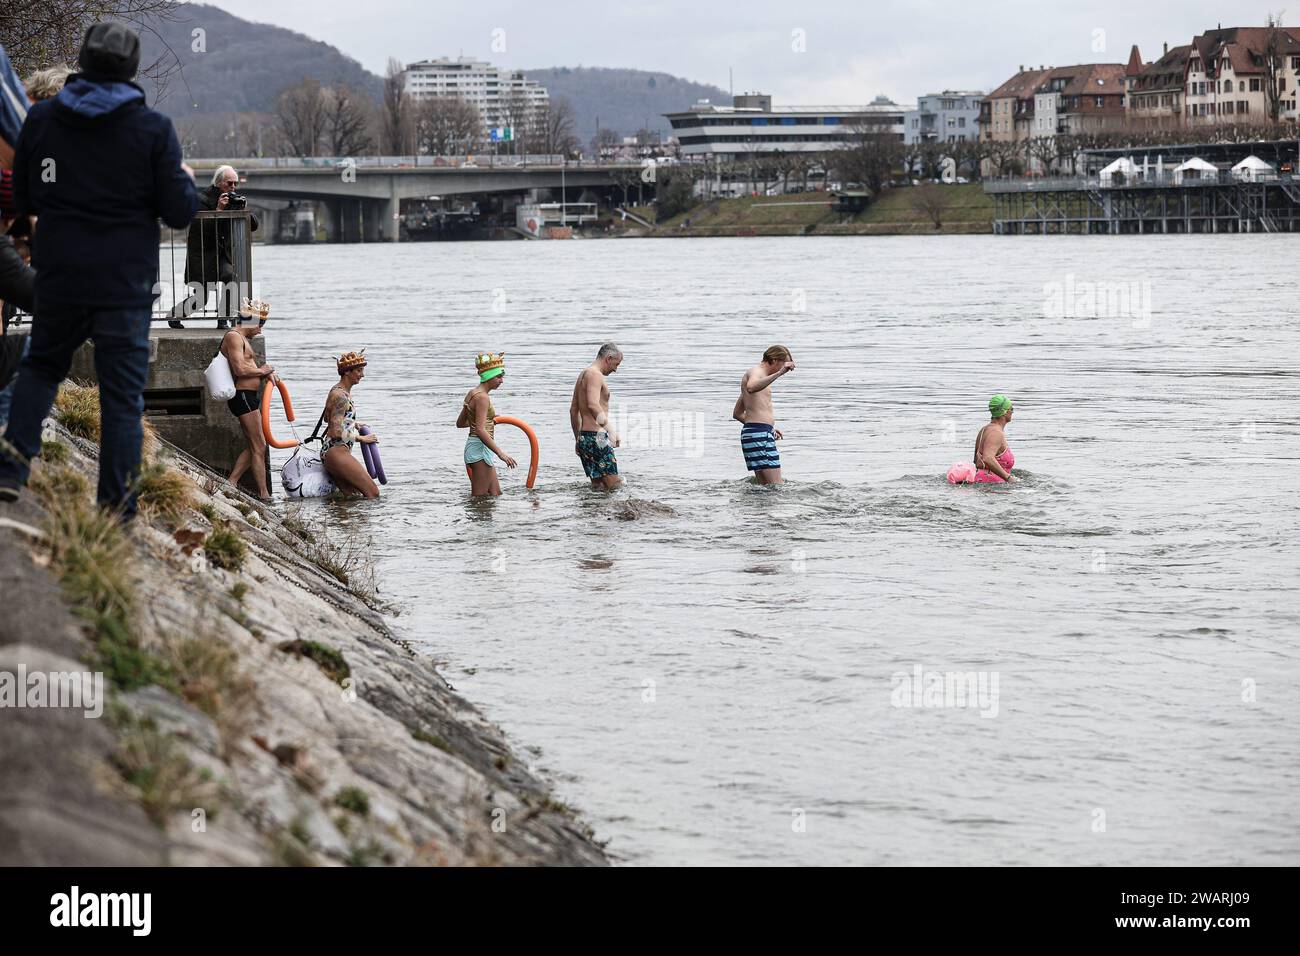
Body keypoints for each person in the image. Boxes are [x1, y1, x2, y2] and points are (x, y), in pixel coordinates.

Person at [0, 23, 198, 515]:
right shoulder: (152, 129)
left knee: (41, 368)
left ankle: (9, 470)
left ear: (83, 65)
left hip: (61, 272)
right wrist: (184, 182)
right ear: (131, 71)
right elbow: (178, 212)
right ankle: (117, 508)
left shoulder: (42, 120)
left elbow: (26, 196)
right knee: (122, 397)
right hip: (123, 283)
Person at [170, 164, 258, 329]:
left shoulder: (234, 199)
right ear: (218, 182)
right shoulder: (201, 200)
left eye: (235, 184)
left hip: (222, 253)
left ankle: (222, 319)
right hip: (202, 255)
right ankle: (174, 315)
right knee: (201, 299)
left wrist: (244, 210)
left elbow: (253, 225)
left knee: (229, 277)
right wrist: (219, 210)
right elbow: (200, 229)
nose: (233, 187)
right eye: (229, 183)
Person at [221, 298, 275, 501]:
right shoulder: (234, 337)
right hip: (241, 396)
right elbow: (240, 370)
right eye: (260, 323)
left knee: (256, 444)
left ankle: (232, 481)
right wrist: (262, 370)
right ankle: (264, 494)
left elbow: (249, 366)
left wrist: (266, 373)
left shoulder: (243, 340)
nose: (260, 329)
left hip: (249, 397)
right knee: (259, 445)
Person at [319, 349, 379, 499]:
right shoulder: (341, 396)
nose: (362, 375)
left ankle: (341, 522)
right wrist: (362, 439)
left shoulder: (337, 391)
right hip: (337, 452)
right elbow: (335, 431)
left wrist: (353, 423)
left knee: (352, 497)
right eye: (359, 371)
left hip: (331, 452)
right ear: (347, 372)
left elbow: (329, 418)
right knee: (373, 493)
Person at [732, 345, 795, 485]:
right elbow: (751, 387)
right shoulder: (756, 372)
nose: (783, 370)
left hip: (758, 433)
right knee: (776, 487)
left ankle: (756, 507)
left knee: (766, 487)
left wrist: (768, 429)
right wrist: (779, 374)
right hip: (758, 434)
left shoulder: (761, 378)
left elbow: (737, 413)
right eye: (783, 366)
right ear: (773, 359)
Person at [457, 351, 517, 496]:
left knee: (496, 494)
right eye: (499, 377)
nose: (501, 381)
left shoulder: (472, 393)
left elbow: (461, 423)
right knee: (480, 500)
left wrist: (488, 421)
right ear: (489, 376)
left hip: (477, 448)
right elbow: (479, 430)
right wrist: (501, 453)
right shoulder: (483, 398)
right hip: (479, 450)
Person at [569, 343, 623, 489]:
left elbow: (573, 410)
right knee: (614, 487)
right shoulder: (595, 374)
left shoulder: (583, 374)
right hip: (597, 437)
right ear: (608, 358)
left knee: (598, 488)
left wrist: (578, 439)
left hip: (585, 438)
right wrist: (610, 430)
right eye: (616, 364)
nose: (615, 370)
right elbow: (593, 405)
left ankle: (593, 512)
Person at [971, 394, 1018, 483]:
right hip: (992, 487)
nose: (1012, 412)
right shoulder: (996, 433)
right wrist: (1008, 478)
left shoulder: (984, 429)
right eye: (1011, 409)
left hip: (982, 481)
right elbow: (987, 458)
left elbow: (976, 461)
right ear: (1004, 412)